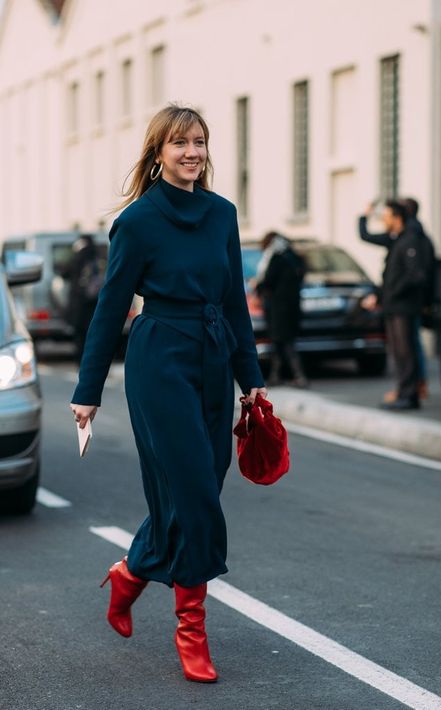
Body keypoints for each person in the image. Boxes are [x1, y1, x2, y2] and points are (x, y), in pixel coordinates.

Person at [69, 105, 266, 683]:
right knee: (195, 493)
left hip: (212, 356)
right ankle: (191, 632)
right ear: (158, 152)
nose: (192, 153)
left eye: (200, 142)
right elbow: (110, 307)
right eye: (180, 143)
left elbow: (233, 303)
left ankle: (131, 573)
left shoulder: (223, 214)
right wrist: (88, 389)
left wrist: (251, 379)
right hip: (159, 360)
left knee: (195, 490)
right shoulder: (138, 221)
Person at [359, 197, 435, 401]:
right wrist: (381, 295)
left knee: (407, 350)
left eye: (385, 217)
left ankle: (410, 393)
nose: (383, 221)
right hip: (394, 306)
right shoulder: (398, 239)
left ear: (397, 217)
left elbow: (415, 275)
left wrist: (391, 294)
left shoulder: (411, 239)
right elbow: (392, 274)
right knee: (399, 352)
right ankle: (405, 391)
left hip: (404, 307)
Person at [255, 231, 307, 387]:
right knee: (282, 343)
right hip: (292, 307)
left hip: (278, 308)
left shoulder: (276, 259)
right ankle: (277, 375)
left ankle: (298, 376)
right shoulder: (294, 257)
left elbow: (268, 280)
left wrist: (258, 287)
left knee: (284, 343)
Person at [62, 233, 104, 363]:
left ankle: (80, 360)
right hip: (95, 301)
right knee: (93, 331)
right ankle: (94, 358)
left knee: (80, 333)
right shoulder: (97, 256)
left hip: (80, 302)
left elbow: (65, 273)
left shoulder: (78, 257)